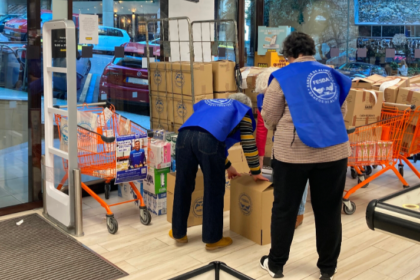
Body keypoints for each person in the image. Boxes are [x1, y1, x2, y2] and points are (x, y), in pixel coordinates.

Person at [259, 32, 351, 280]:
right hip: (334, 151)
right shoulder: (331, 74)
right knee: (328, 211)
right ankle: (327, 269)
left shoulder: (282, 77)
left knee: (285, 209)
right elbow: (340, 110)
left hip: (293, 154)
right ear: (312, 50)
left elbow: (268, 114)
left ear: (288, 54)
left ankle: (276, 265)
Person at [169, 93, 268, 251]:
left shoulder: (214, 105)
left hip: (183, 137)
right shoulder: (241, 111)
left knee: (183, 184)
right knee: (214, 189)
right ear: (246, 106)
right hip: (208, 140)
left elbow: (211, 137)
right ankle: (213, 239)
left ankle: (178, 232)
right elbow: (248, 143)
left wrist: (228, 166)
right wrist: (256, 171)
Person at [254, 67, 308, 229]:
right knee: (282, 173)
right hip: (282, 139)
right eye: (264, 94)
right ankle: (281, 206)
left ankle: (299, 212)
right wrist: (259, 160)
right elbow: (262, 129)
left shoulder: (295, 94)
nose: (266, 98)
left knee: (300, 173)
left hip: (302, 137)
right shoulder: (262, 98)